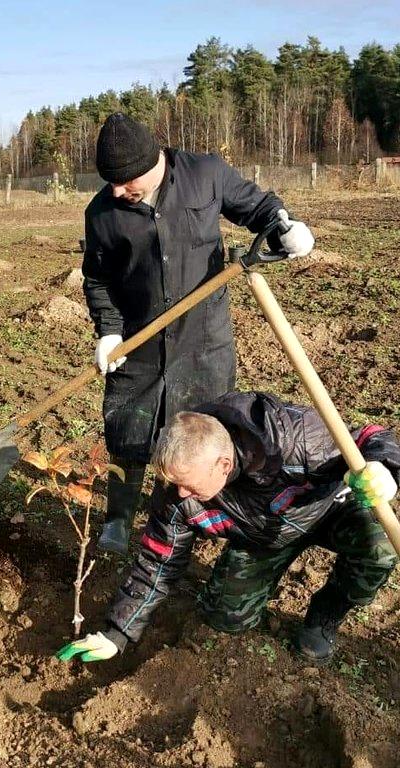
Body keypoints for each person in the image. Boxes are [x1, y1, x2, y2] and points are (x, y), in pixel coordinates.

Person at [83, 112, 316, 555]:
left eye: (124, 180)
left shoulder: (205, 175)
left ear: (152, 162)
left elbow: (259, 207)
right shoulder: (101, 213)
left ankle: (175, 522)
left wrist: (286, 226)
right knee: (128, 434)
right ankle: (117, 517)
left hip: (203, 342)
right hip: (140, 343)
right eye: (109, 182)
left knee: (195, 438)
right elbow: (97, 279)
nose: (116, 191)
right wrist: (110, 332)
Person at [57, 391, 400, 664]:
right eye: (174, 484)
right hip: (261, 537)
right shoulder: (176, 492)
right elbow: (157, 564)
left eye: (189, 485)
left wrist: (383, 467)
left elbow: (371, 436)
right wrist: (118, 633)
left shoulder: (293, 438)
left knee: (379, 549)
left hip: (326, 510)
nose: (180, 493)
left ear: (223, 464)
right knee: (225, 617)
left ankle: (326, 615)